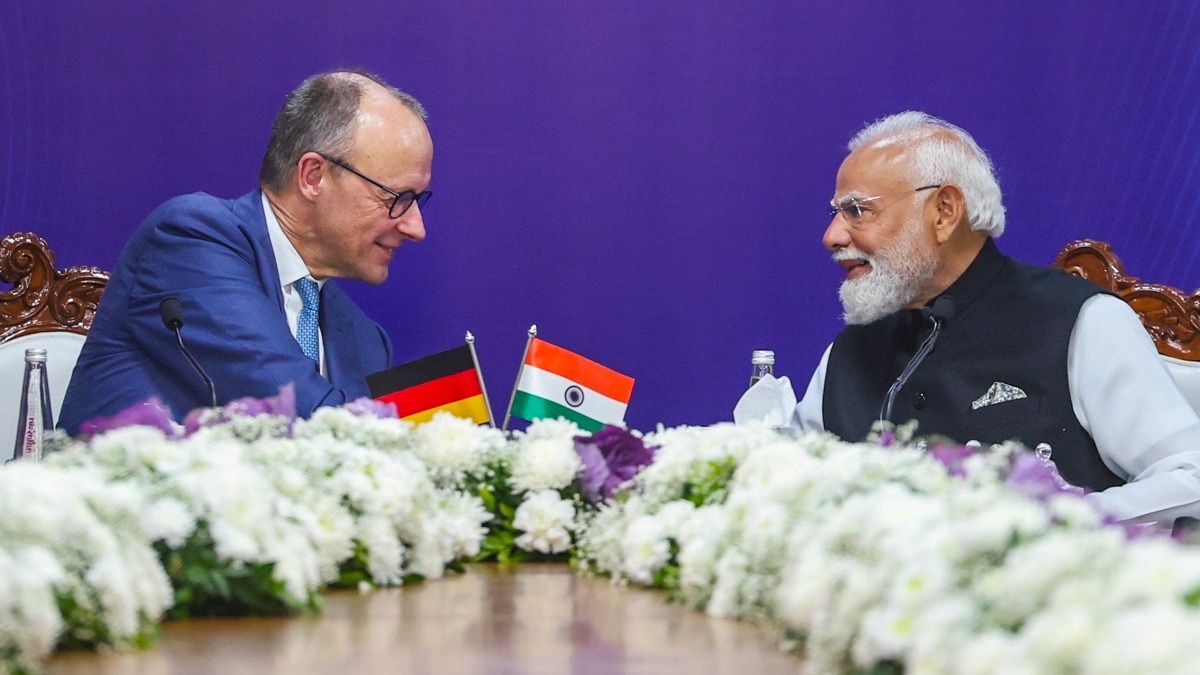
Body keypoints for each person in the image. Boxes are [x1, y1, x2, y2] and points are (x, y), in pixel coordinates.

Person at [792, 110, 1200, 526]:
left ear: (945, 211)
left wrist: (1057, 524)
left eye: (857, 210)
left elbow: (1190, 474)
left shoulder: (1079, 322)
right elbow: (787, 481)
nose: (833, 236)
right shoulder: (850, 351)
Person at [58, 69, 432, 435]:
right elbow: (300, 418)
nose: (416, 228)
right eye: (398, 198)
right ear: (313, 176)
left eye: (419, 200)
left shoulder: (367, 341)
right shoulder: (190, 240)